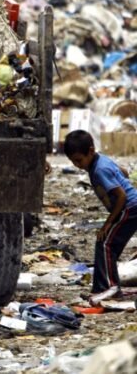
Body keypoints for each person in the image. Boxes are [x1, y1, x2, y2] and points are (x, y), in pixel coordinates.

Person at [65, 129, 137, 305]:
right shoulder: (100, 161)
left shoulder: (99, 169)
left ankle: (111, 289)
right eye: (73, 162)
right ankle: (100, 288)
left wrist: (107, 224)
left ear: (90, 151)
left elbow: (122, 197)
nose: (77, 165)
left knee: (106, 244)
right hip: (129, 207)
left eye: (79, 160)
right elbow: (124, 172)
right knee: (104, 244)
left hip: (129, 208)